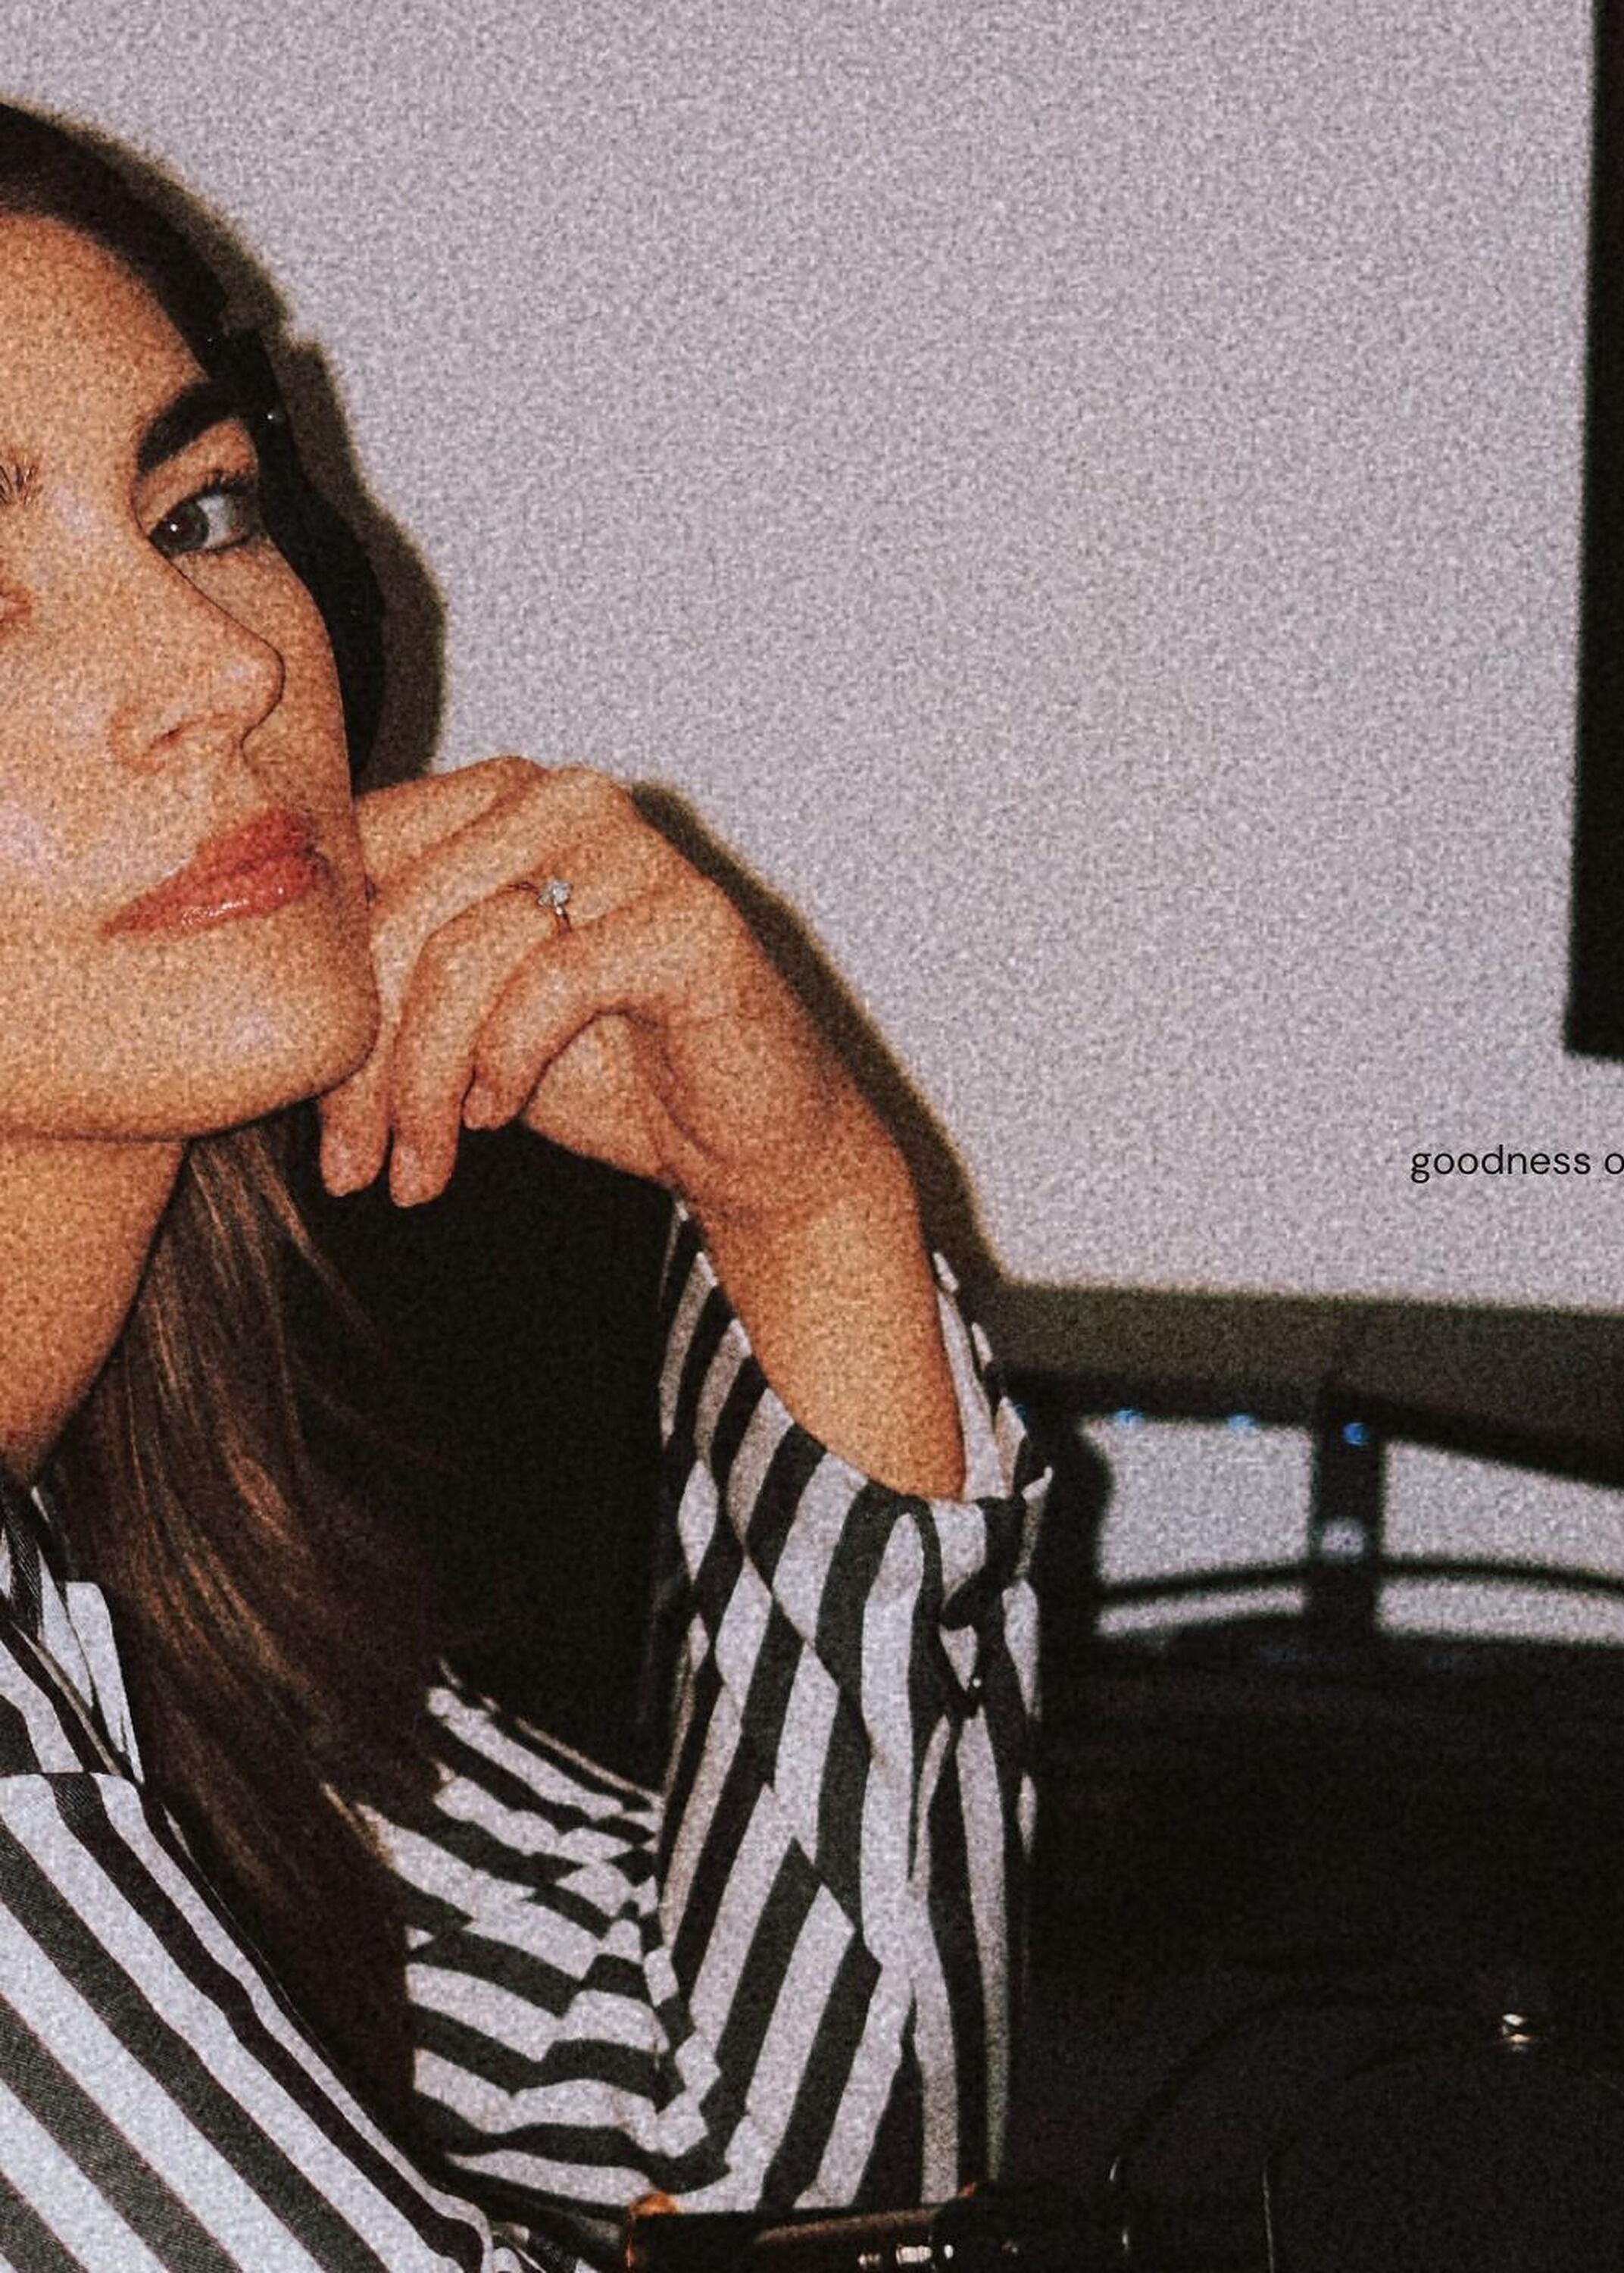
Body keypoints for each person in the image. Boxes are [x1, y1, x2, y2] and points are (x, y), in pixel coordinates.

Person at [0, 98, 1045, 2272]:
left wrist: (808, 1210)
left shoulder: (100, 1545)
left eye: (200, 513)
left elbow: (775, 2161)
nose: (227, 668)